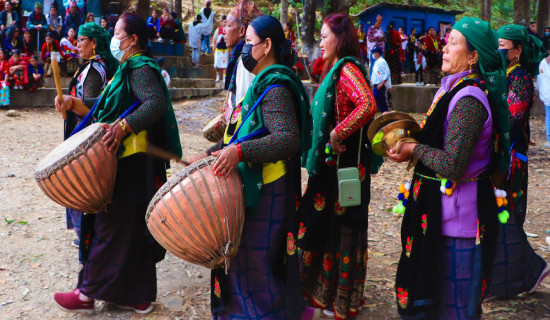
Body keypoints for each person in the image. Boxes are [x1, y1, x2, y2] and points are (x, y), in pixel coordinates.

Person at [53, 12, 181, 315]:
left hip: (134, 162)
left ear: (133, 39)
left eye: (118, 33)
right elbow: (108, 109)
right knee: (131, 229)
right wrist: (72, 103)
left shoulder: (140, 68)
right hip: (128, 160)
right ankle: (137, 296)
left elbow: (154, 104)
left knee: (110, 224)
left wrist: (124, 127)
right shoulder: (127, 68)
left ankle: (87, 293)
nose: (114, 38)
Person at [188, 14, 310, 320]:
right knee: (243, 259)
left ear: (266, 45)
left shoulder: (276, 88)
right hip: (253, 185)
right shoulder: (263, 84)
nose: (244, 48)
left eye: (249, 42)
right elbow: (245, 132)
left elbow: (287, 140)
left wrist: (240, 153)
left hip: (269, 188)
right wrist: (210, 152)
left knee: (256, 261)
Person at [388, 17, 511, 319]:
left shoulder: (469, 99)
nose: (444, 47)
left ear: (473, 57)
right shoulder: (450, 89)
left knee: (454, 308)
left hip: (459, 225)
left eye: (453, 42)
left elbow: (454, 164)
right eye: (448, 40)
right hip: (442, 216)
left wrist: (414, 148)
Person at [298, 13, 379, 320]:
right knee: (328, 228)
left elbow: (368, 105)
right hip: (334, 166)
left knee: (340, 228)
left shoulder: (346, 69)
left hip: (344, 168)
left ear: (340, 39)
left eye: (324, 36)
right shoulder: (334, 69)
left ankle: (337, 299)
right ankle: (326, 294)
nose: (320, 41)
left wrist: (337, 132)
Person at [487, 24, 550, 298]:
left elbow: (512, 118)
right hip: (498, 156)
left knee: (507, 213)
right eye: (497, 45)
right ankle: (523, 272)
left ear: (517, 51)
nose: (499, 50)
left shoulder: (521, 79)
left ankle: (525, 272)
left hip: (512, 159)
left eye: (504, 46)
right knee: (497, 215)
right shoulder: (501, 75)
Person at [62, 22, 118, 246]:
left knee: (85, 186)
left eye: (82, 39)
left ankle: (89, 236)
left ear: (94, 43)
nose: (78, 43)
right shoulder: (91, 67)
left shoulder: (94, 70)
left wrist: (73, 104)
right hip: (82, 131)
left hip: (87, 135)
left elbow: (94, 111)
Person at [370, 46, 391, 113]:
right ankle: (385, 112)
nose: (373, 54)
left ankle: (385, 112)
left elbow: (387, 73)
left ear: (378, 53)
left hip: (380, 84)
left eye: (374, 53)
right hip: (376, 84)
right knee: (381, 101)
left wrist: (382, 83)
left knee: (378, 99)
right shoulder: (377, 61)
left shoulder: (382, 62)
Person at [539, 43, 550, 148]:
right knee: (549, 116)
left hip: (547, 95)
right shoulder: (543, 63)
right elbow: (542, 80)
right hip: (547, 95)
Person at [213, 15, 228, 82]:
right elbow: (214, 38)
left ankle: (224, 78)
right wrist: (214, 46)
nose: (225, 23)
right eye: (224, 22)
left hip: (225, 50)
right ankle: (218, 76)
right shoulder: (218, 29)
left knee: (225, 65)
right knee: (216, 64)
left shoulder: (228, 30)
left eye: (226, 22)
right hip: (218, 50)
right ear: (222, 22)